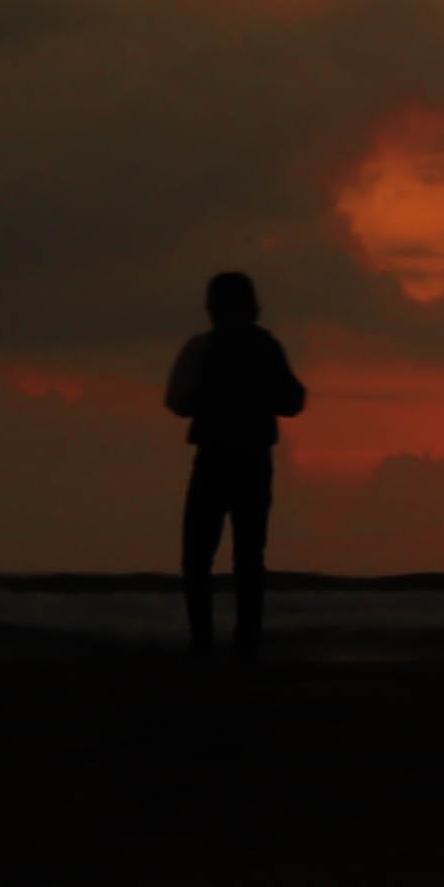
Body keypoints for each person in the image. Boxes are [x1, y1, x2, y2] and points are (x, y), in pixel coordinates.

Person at [164, 270, 307, 658]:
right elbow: (294, 401)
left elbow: (177, 401)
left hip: (213, 456)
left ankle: (203, 641)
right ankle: (247, 640)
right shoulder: (267, 347)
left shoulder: (203, 347)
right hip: (254, 458)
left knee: (197, 556)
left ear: (212, 307)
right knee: (248, 556)